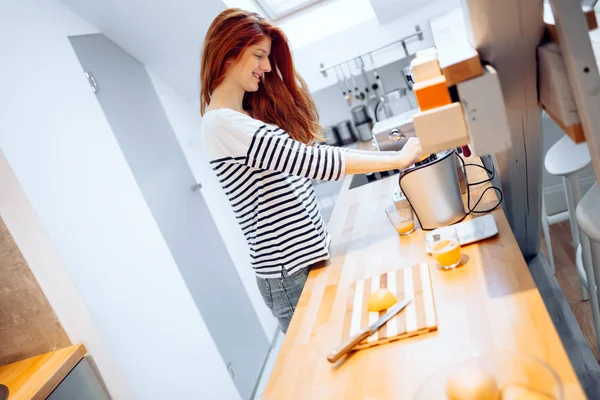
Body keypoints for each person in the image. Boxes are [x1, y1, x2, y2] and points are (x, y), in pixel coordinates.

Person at [200, 8, 422, 333]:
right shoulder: (222, 123)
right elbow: (312, 162)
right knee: (319, 363)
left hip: (306, 259)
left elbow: (306, 156)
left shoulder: (243, 116)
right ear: (229, 53)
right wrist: (397, 158)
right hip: (289, 273)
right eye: (259, 55)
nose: (266, 66)